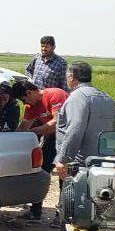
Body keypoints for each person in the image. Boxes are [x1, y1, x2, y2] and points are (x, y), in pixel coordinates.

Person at [12, 77, 69, 220]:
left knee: (64, 175)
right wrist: (8, 140)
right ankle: (35, 211)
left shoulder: (55, 94)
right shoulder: (31, 107)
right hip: (51, 138)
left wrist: (34, 132)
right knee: (41, 171)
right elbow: (24, 127)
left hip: (68, 139)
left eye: (24, 100)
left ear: (30, 92)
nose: (25, 104)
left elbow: (57, 123)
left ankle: (62, 215)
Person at [54, 62, 115, 179]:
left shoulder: (77, 98)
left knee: (73, 195)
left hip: (81, 165)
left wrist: (63, 159)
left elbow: (74, 130)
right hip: (106, 164)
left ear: (71, 77)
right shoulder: (107, 98)